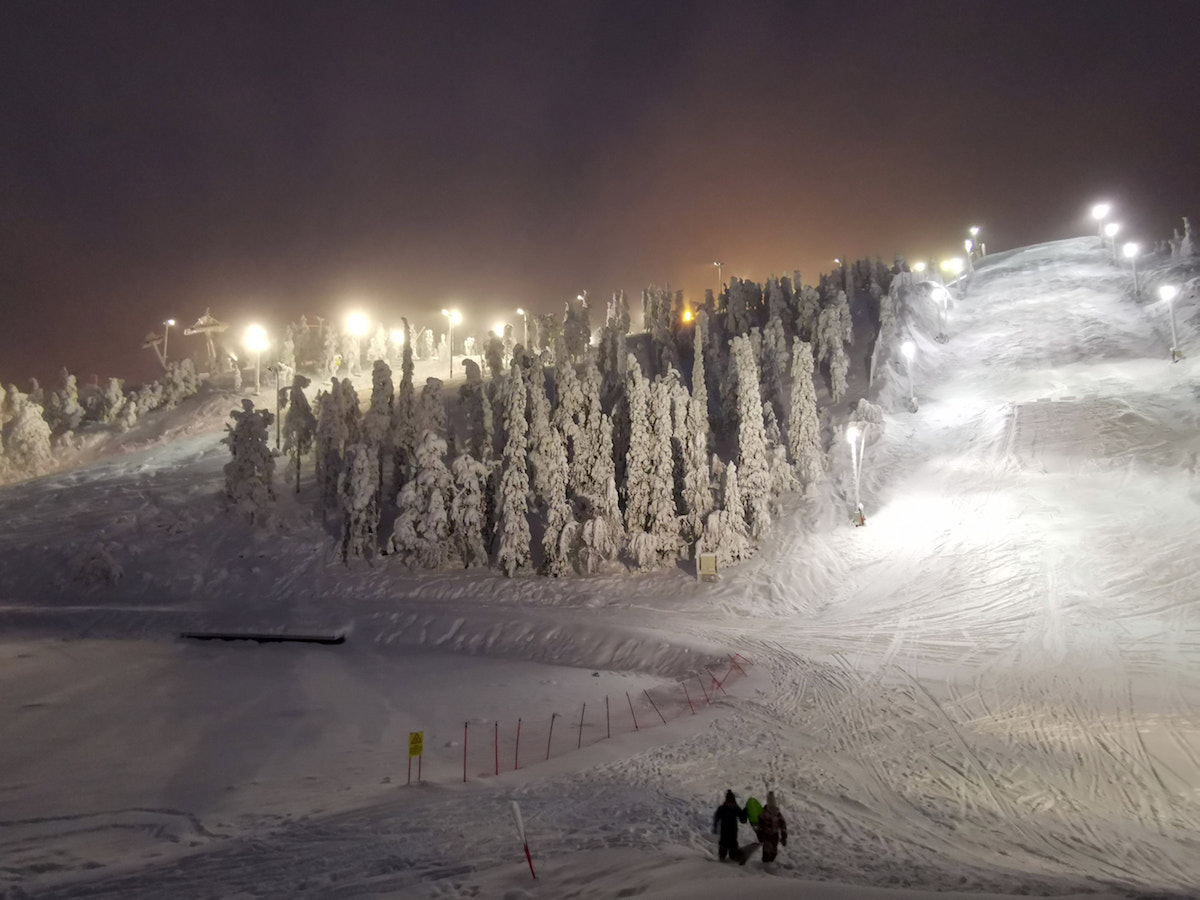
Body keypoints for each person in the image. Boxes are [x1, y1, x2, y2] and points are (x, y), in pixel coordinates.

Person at [712, 789, 748, 862]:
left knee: (731, 847)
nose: (731, 804)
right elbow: (716, 817)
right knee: (724, 847)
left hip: (732, 833)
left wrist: (745, 812)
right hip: (726, 833)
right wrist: (715, 826)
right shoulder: (724, 809)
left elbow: (743, 820)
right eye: (730, 802)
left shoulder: (735, 808)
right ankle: (722, 861)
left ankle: (733, 858)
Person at [756, 790, 788, 863]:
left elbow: (783, 826)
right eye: (771, 808)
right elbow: (760, 825)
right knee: (766, 851)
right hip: (766, 835)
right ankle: (764, 865)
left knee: (773, 852)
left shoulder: (778, 815)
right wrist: (760, 834)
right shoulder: (763, 814)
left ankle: (770, 865)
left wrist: (784, 837)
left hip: (775, 836)